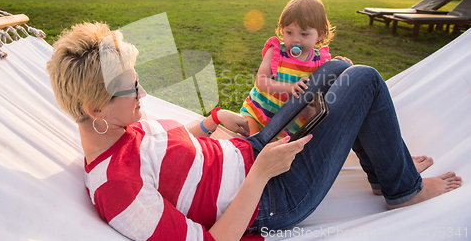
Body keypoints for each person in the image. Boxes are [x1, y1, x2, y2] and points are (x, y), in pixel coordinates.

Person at [47, 22, 461, 241]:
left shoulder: (121, 128)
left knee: (337, 69)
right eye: (130, 87)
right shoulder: (117, 188)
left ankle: (384, 174)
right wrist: (262, 172)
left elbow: (169, 149)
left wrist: (212, 120)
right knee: (365, 80)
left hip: (249, 150)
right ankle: (404, 190)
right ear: (93, 107)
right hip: (272, 198)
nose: (142, 92)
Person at [240, 0, 352, 135]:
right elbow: (261, 81)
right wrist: (289, 87)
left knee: (272, 154)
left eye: (304, 34)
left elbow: (327, 83)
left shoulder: (320, 62)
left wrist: (337, 65)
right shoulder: (275, 52)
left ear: (320, 35)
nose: (295, 39)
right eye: (289, 32)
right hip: (257, 114)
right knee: (247, 145)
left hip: (285, 128)